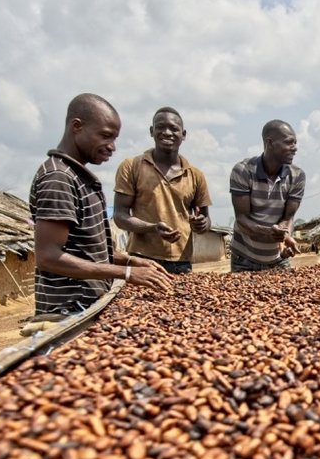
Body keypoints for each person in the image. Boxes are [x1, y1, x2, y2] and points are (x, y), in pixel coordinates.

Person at [29, 94, 172, 323]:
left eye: (114, 138)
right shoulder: (58, 178)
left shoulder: (78, 177)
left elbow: (85, 249)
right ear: (77, 127)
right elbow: (48, 256)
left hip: (85, 307)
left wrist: (130, 261)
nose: (112, 147)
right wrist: (125, 274)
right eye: (105, 136)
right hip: (67, 313)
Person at [112, 107, 212, 274]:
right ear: (152, 131)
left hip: (182, 261)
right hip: (142, 257)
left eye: (174, 129)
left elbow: (206, 220)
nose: (167, 133)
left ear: (183, 134)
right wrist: (153, 227)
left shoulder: (195, 175)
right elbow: (120, 216)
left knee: (183, 300)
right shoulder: (131, 167)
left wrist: (201, 223)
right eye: (160, 127)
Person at [229, 120, 305, 272]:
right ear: (270, 143)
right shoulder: (243, 171)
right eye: (289, 143)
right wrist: (269, 232)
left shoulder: (297, 176)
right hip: (244, 259)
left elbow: (287, 218)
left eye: (295, 143)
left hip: (278, 259)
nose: (294, 148)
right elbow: (242, 219)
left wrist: (285, 238)